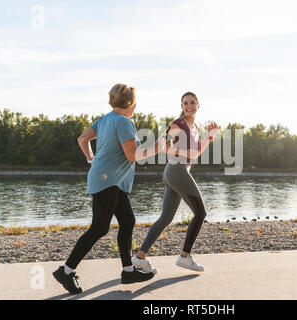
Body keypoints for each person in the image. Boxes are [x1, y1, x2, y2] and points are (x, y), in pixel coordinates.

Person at [53, 83, 162, 294]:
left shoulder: (104, 120)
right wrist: (158, 147)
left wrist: (91, 159)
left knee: (128, 221)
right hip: (108, 181)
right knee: (99, 228)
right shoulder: (124, 122)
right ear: (132, 103)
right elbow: (132, 155)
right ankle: (65, 271)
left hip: (111, 180)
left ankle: (128, 271)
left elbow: (82, 138)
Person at [132, 91, 218, 274]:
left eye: (192, 102)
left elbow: (198, 153)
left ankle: (139, 258)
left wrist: (210, 136)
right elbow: (163, 142)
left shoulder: (194, 127)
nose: (189, 105)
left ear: (198, 105)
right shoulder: (178, 123)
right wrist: (186, 153)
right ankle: (185, 256)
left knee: (166, 218)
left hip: (176, 171)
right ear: (181, 106)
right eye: (185, 103)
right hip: (176, 170)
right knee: (201, 213)